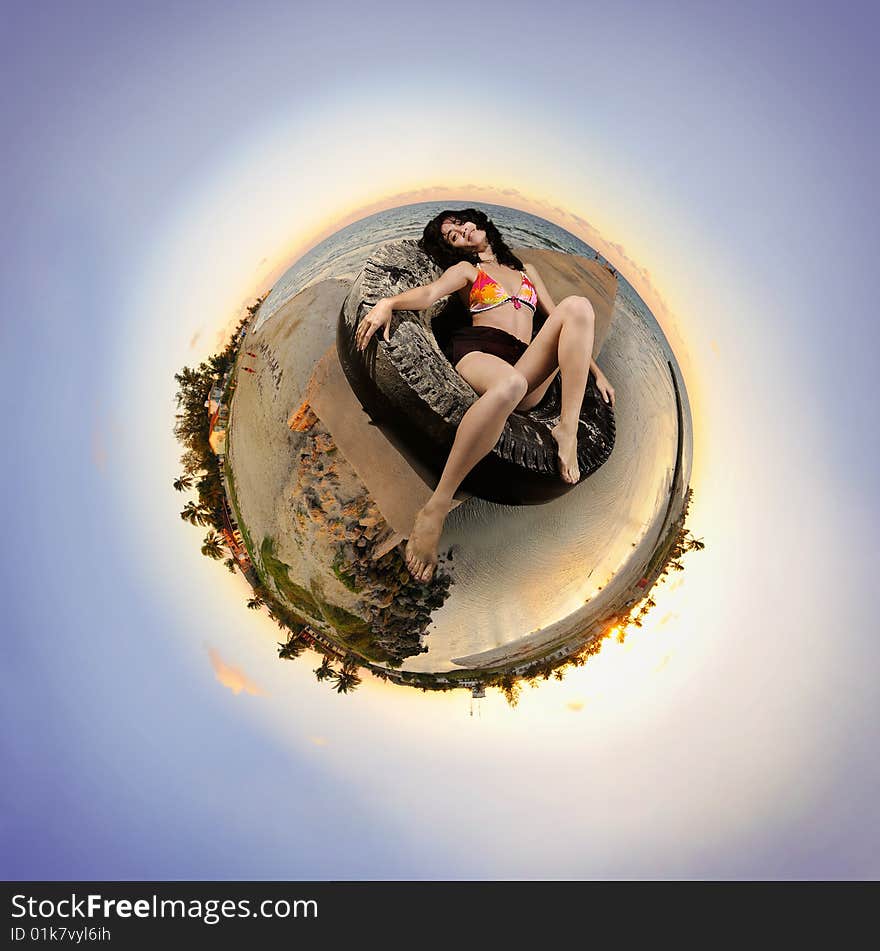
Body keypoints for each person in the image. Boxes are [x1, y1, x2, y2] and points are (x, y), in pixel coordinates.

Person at [355, 208, 615, 583]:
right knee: (508, 385)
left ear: (478, 222)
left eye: (460, 223)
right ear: (453, 249)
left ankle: (567, 429)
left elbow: (561, 320)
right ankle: (436, 508)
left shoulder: (526, 271)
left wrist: (599, 373)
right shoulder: (467, 272)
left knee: (578, 306)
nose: (460, 232)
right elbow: (429, 294)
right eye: (451, 236)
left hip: (524, 363)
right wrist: (388, 304)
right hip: (480, 354)